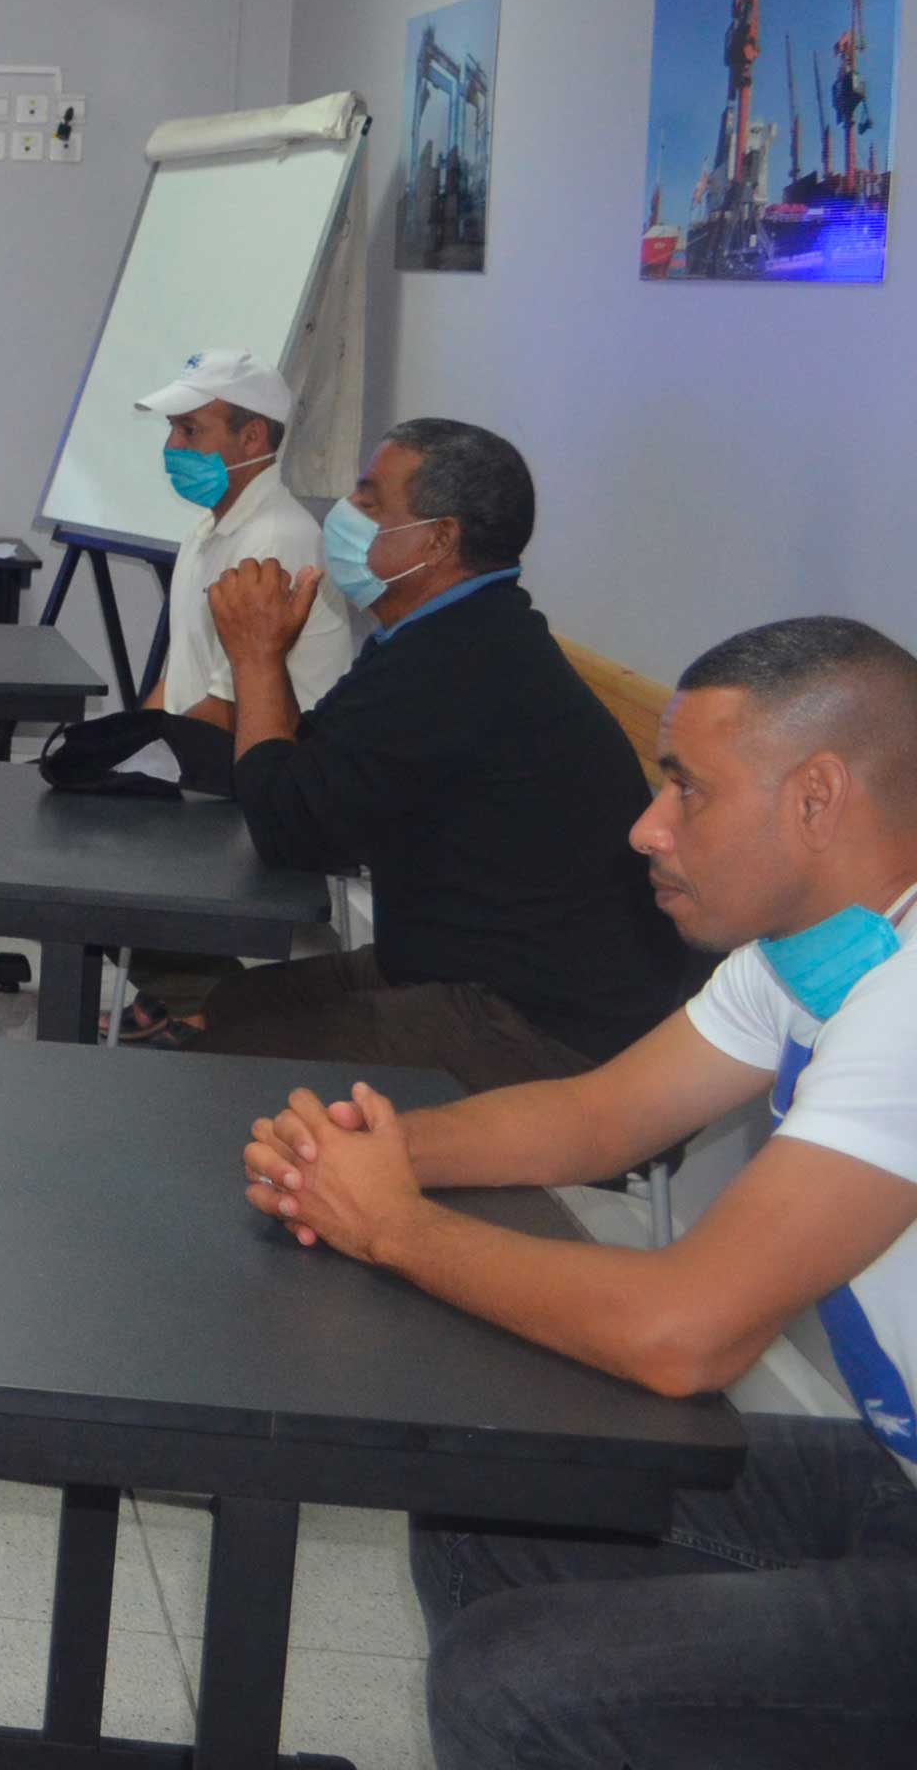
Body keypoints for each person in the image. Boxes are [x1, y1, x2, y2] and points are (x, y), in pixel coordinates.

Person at [240, 615, 917, 1767]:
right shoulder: (809, 959)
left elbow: (683, 1335)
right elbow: (594, 1116)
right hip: (894, 1485)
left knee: (520, 1684)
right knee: (492, 1503)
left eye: (688, 792)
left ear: (816, 797)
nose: (648, 827)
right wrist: (372, 1147)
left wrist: (394, 1226)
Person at [142, 418, 693, 1085]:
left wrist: (257, 658)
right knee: (236, 1003)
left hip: (546, 1025)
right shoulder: (450, 634)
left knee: (216, 1071)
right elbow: (310, 769)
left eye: (371, 503)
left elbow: (289, 831)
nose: (348, 517)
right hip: (459, 963)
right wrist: (268, 661)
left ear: (438, 539)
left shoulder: (462, 663)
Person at [136, 348, 352, 727]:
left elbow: (227, 712)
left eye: (190, 429)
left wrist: (145, 763)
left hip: (252, 772)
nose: (172, 446)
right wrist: (123, 752)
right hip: (208, 757)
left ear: (252, 437)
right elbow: (178, 684)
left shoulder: (275, 541)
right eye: (172, 427)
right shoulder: (204, 532)